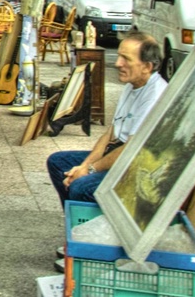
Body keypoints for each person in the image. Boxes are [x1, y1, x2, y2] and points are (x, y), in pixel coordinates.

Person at [47, 32, 167, 224]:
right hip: (119, 153)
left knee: (81, 186)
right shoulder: (132, 84)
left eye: (126, 59)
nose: (118, 63)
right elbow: (110, 133)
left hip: (138, 168)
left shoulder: (155, 95)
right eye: (119, 56)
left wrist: (90, 170)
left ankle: (88, 238)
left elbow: (131, 150)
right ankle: (76, 230)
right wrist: (84, 166)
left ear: (147, 67)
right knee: (58, 162)